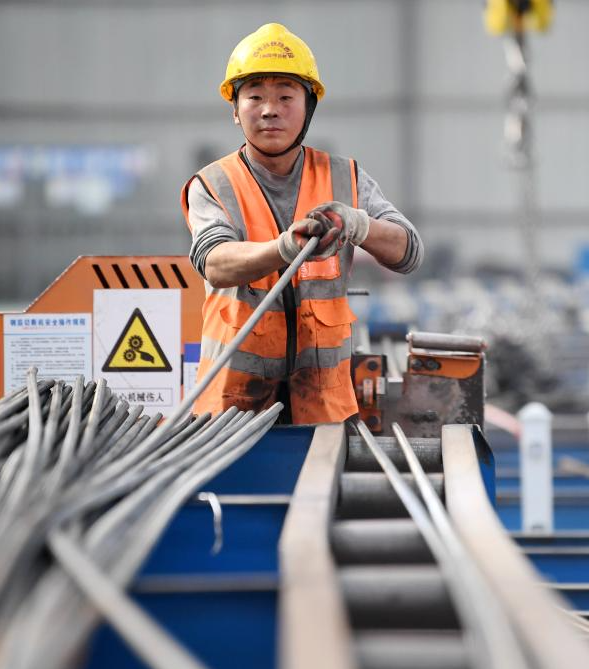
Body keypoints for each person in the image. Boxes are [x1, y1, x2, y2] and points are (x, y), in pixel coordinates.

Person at [181, 23, 422, 424]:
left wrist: (359, 225)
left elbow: (409, 252)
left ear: (308, 106)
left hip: (323, 409)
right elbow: (215, 262)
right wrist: (284, 248)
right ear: (235, 110)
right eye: (254, 96)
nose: (270, 109)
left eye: (285, 96)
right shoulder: (213, 185)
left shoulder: (344, 178)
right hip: (232, 413)